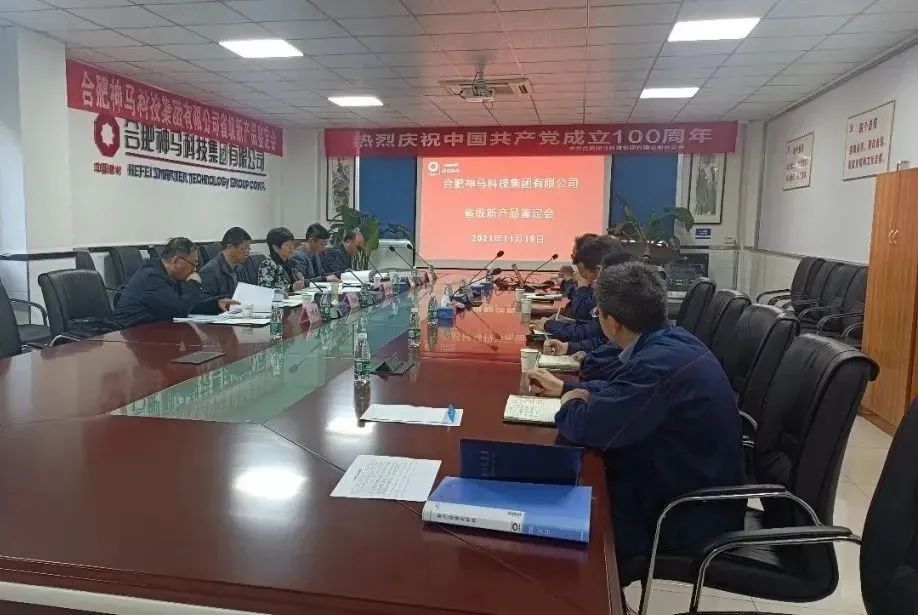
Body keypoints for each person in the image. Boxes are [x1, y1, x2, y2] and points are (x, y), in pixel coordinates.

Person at [527, 262, 743, 586]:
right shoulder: (671, 340)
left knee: (558, 517)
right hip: (694, 488)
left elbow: (588, 427)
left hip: (685, 514)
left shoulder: (655, 364)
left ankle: (590, 597)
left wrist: (570, 401)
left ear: (612, 322)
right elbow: (622, 392)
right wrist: (567, 388)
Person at [114, 237, 235, 328]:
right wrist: (193, 283)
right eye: (193, 264)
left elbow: (187, 304)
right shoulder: (151, 277)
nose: (195, 270)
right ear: (176, 261)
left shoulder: (171, 276)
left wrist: (216, 304)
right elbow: (180, 310)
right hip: (129, 333)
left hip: (152, 332)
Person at [198, 227, 251, 302]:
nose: (248, 252)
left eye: (249, 248)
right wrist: (218, 302)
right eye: (245, 248)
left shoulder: (241, 266)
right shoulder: (209, 271)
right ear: (230, 247)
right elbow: (204, 302)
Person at [258, 227, 306, 293]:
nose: (291, 247)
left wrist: (300, 281)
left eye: (291, 243)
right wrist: (291, 287)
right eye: (287, 245)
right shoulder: (268, 264)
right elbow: (265, 289)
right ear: (276, 248)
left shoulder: (290, 262)